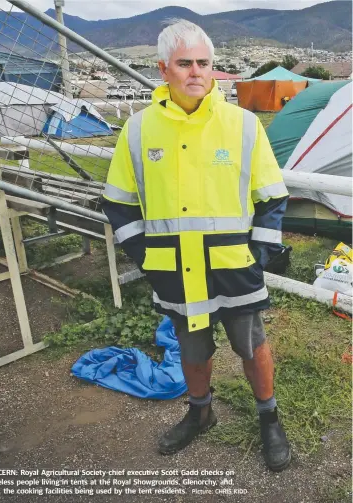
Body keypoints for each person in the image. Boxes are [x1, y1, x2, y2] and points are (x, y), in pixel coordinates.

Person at [102, 19, 291, 472]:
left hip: (234, 265)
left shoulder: (243, 126)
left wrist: (258, 255)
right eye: (184, 63)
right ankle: (200, 411)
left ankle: (269, 419)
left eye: (203, 63)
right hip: (173, 269)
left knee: (252, 346)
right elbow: (118, 204)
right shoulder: (137, 131)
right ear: (163, 68)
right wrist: (146, 258)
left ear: (213, 67)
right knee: (192, 350)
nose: (195, 72)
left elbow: (273, 197)